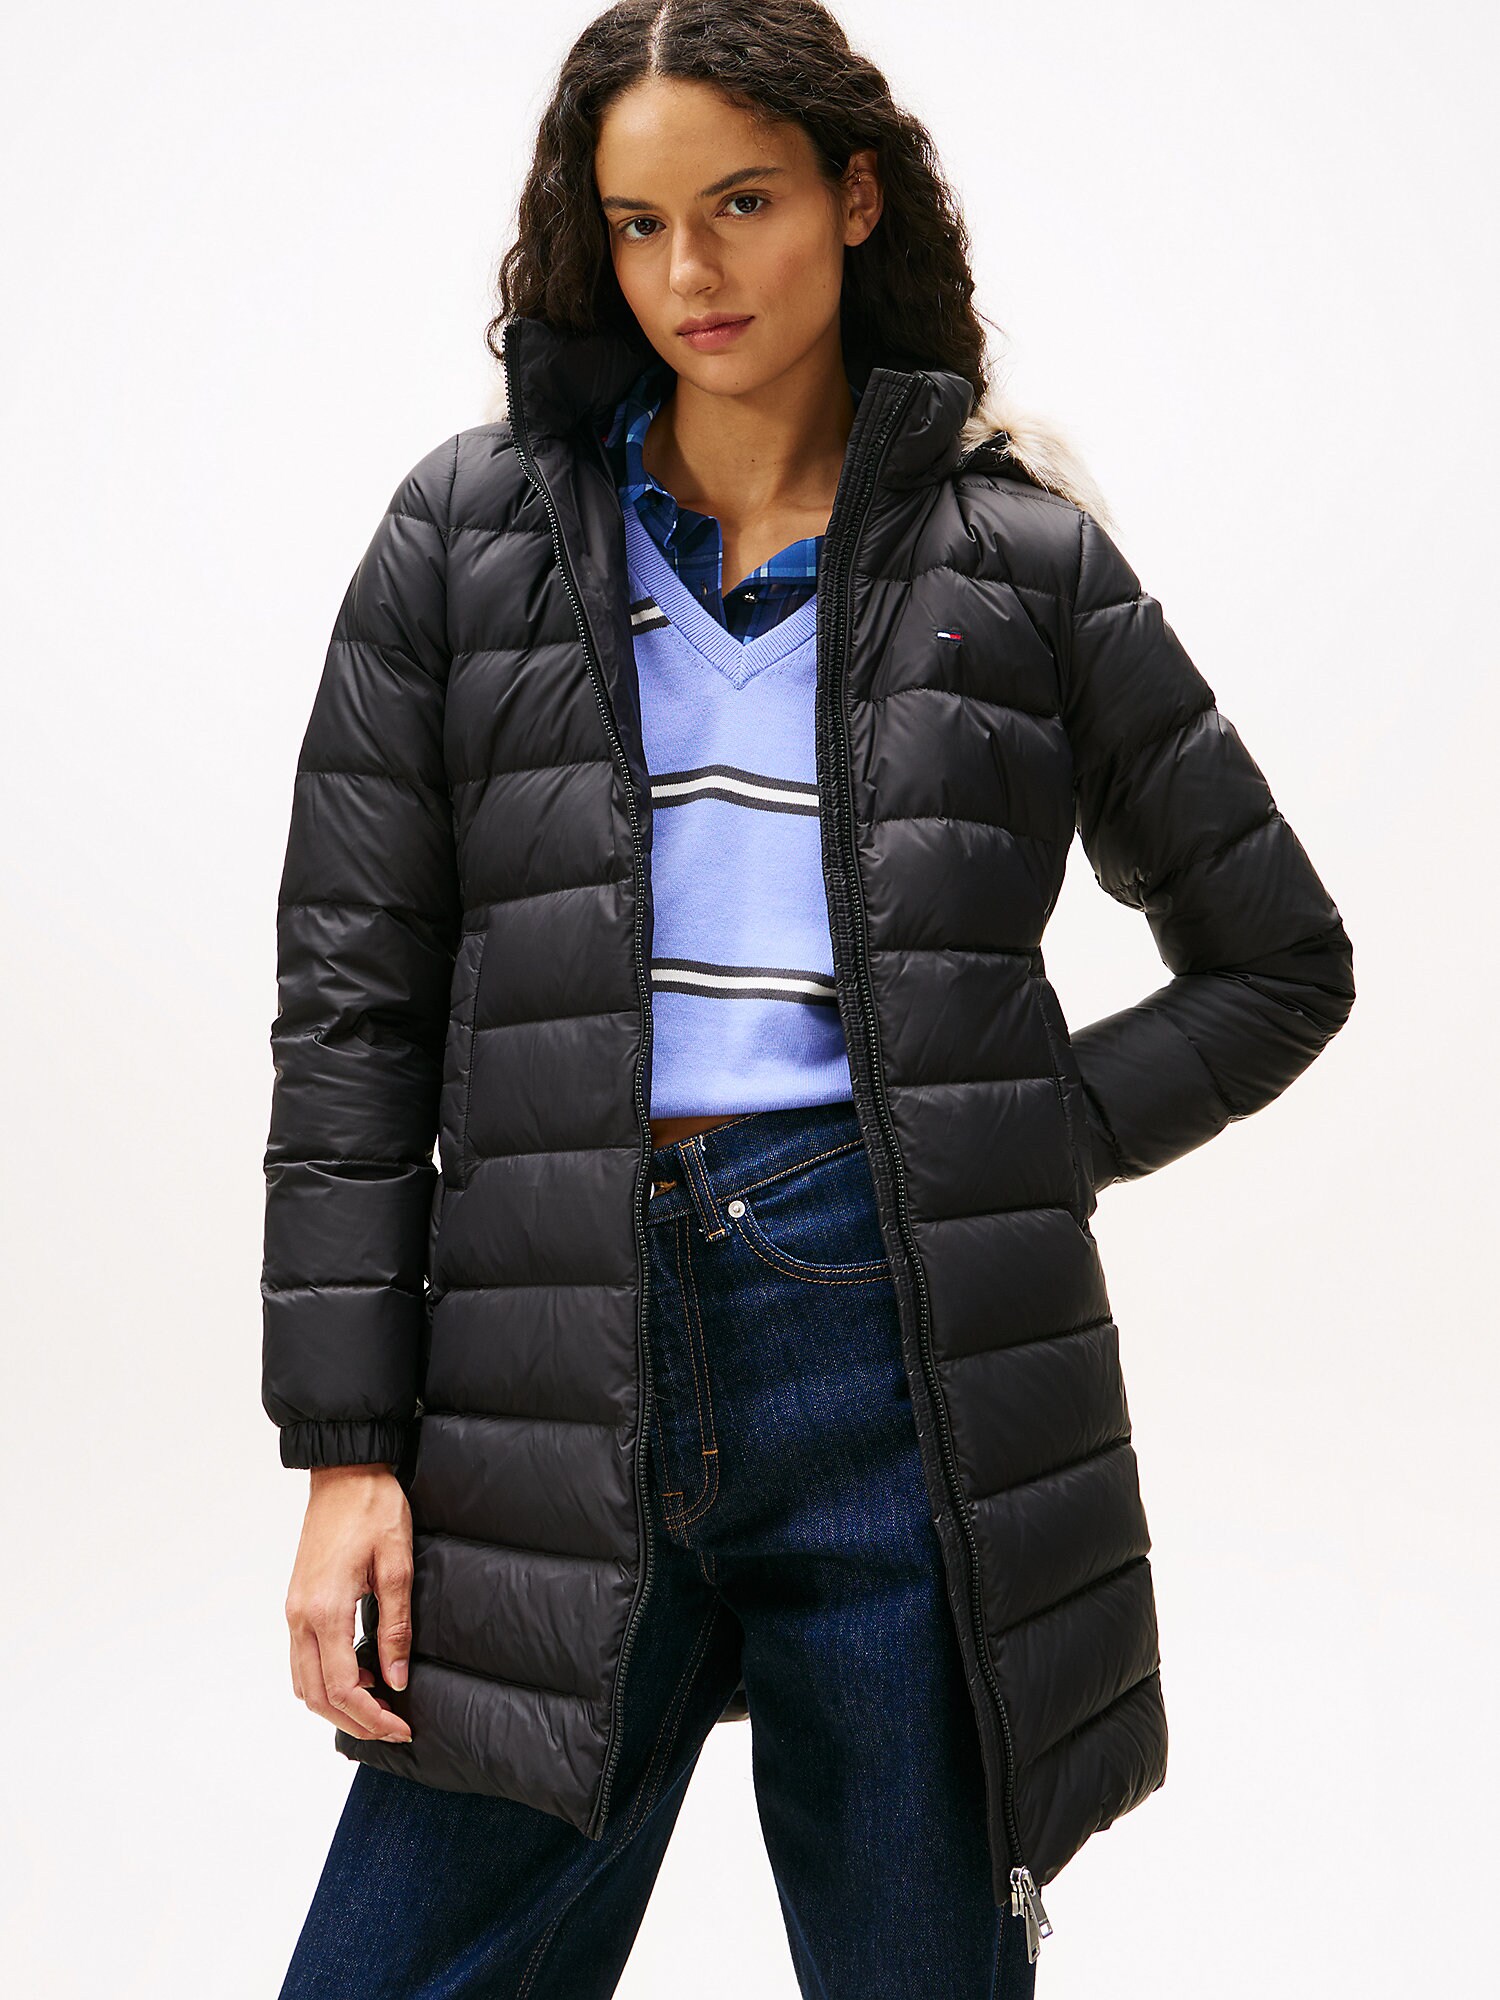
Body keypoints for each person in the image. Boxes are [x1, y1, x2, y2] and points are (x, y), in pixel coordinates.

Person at [261, 4, 1356, 1994]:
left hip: (890, 1351)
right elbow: (356, 1012)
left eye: (742, 204)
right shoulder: (466, 540)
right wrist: (347, 1453)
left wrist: (1004, 1142)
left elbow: (1279, 960)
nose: (690, 270)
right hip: (542, 1362)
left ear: (856, 199)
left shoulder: (1022, 566)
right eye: (639, 222)